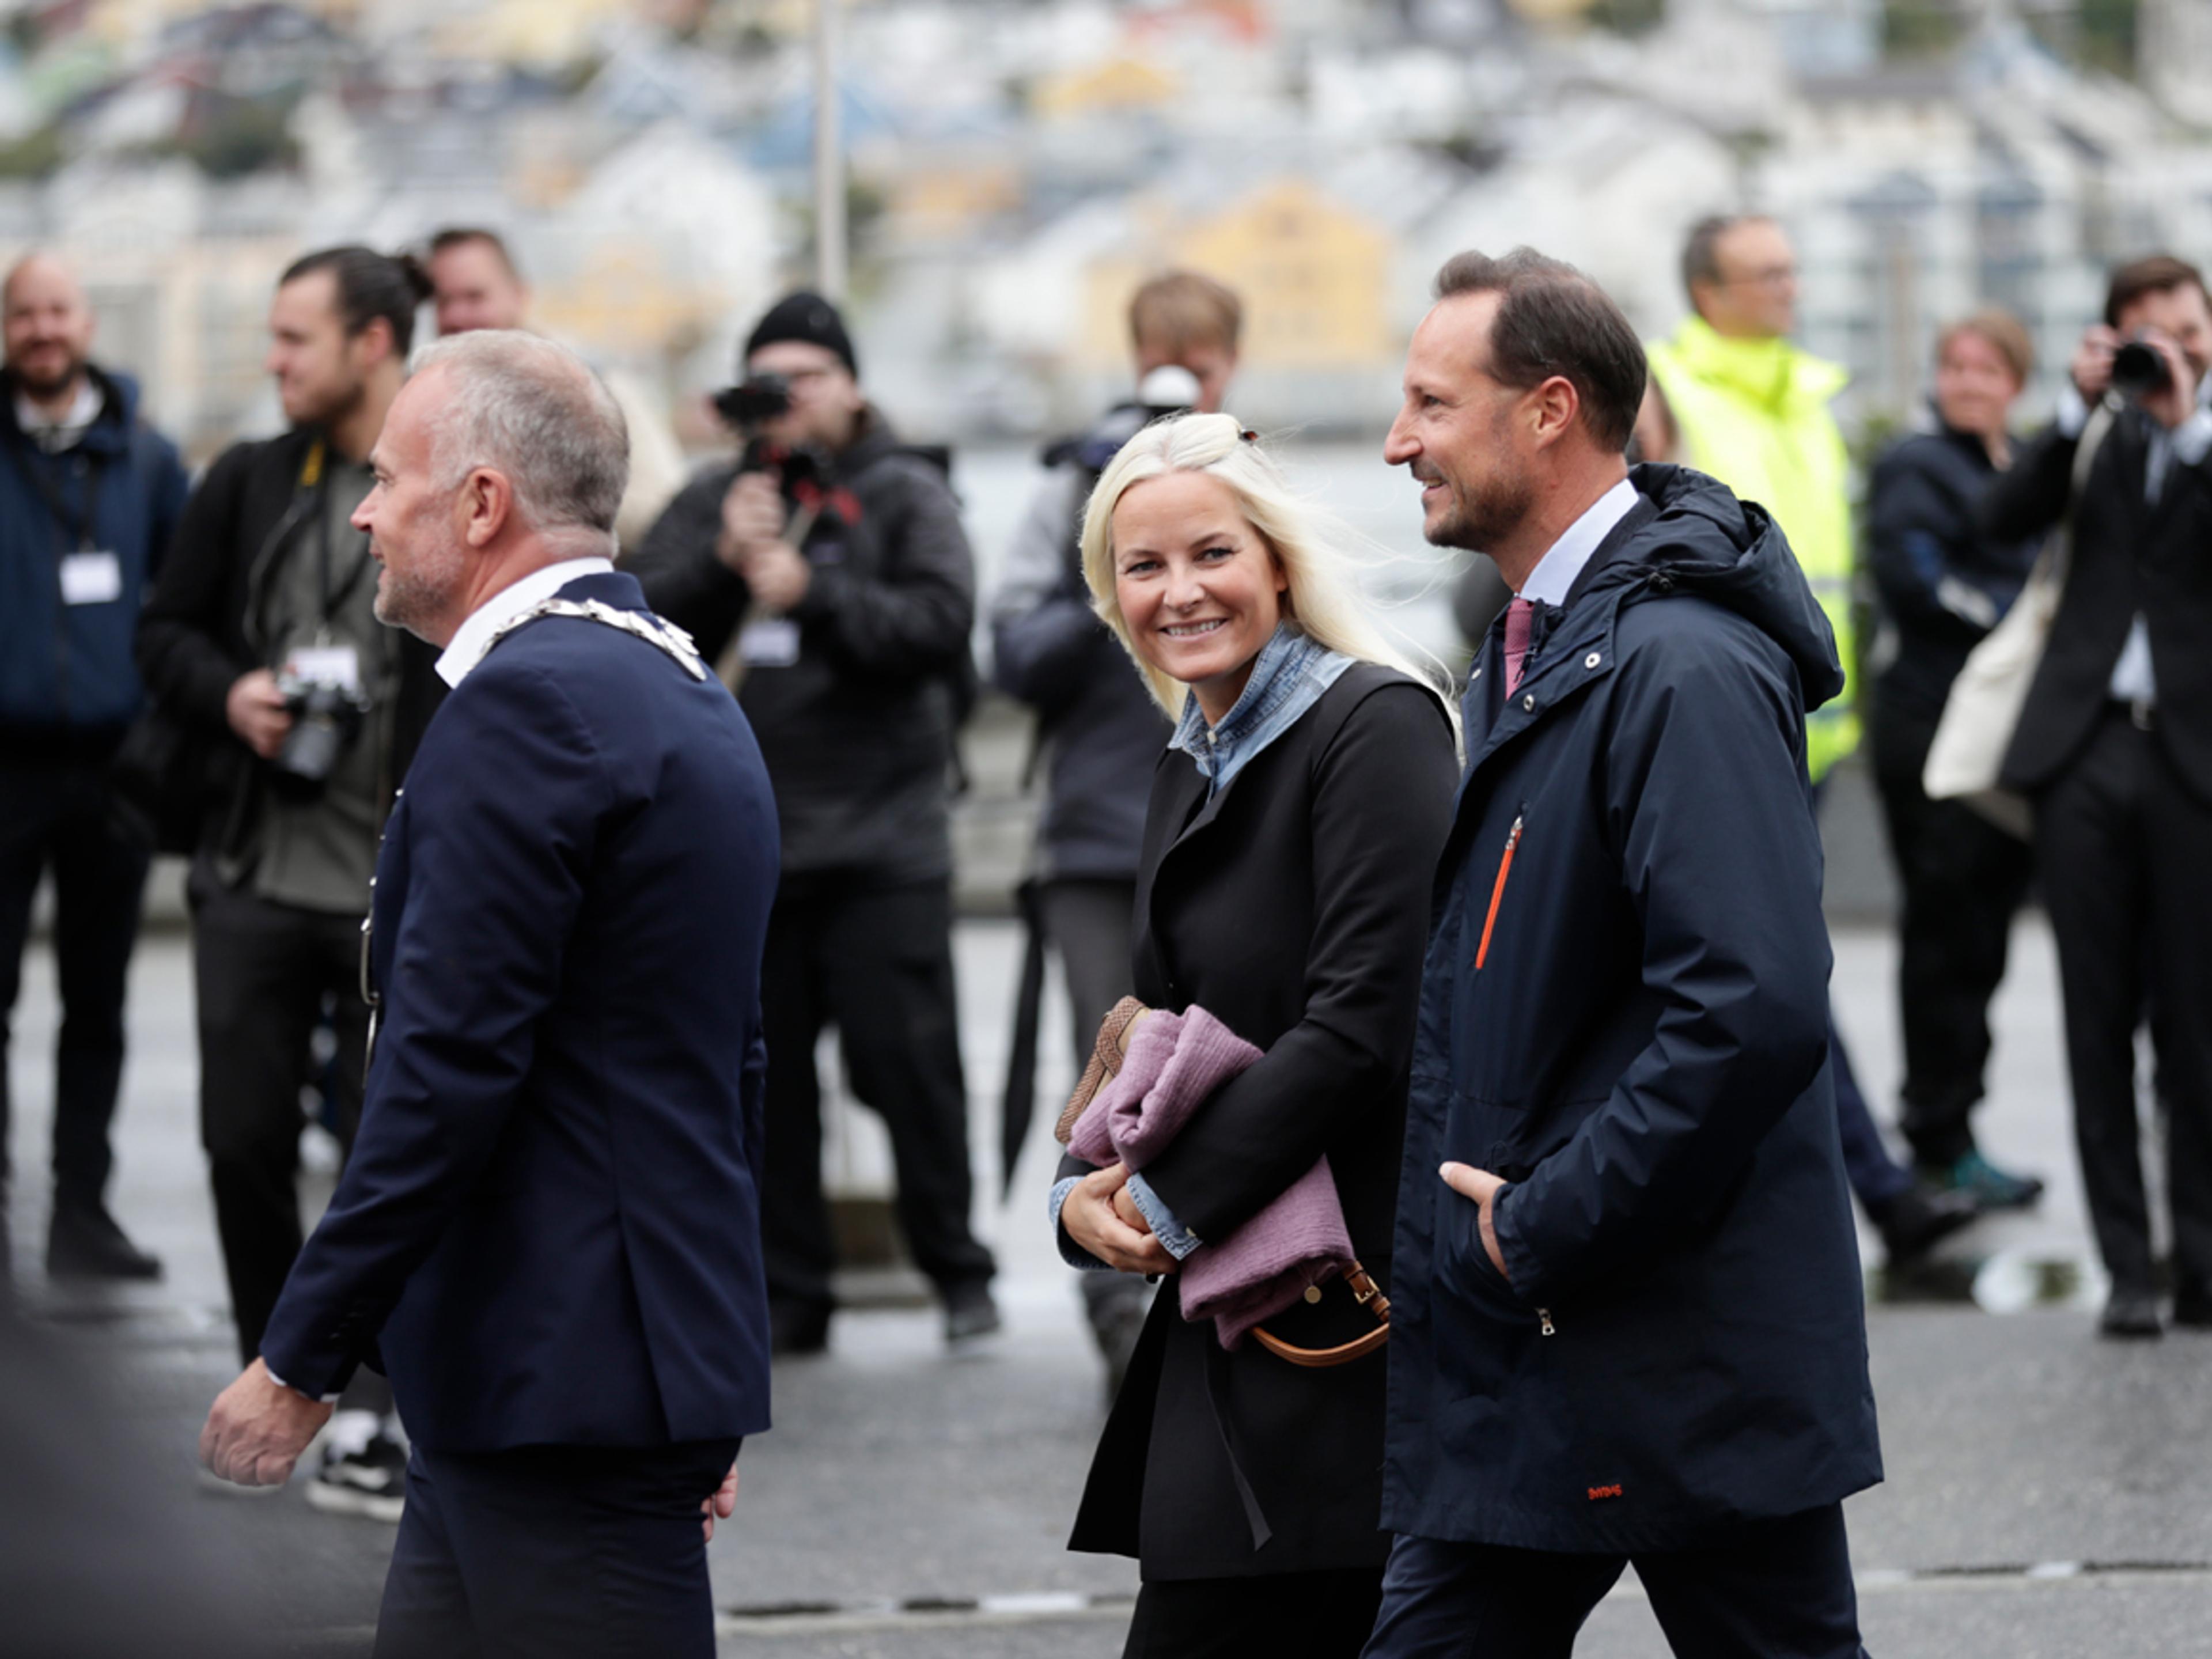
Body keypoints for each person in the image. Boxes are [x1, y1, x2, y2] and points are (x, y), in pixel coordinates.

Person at [198, 329, 778, 1657]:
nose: (363, 512)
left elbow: (443, 1076)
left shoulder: (532, 708)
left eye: (386, 478)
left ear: (479, 503)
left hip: (555, 1383)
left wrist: (300, 1358)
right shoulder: (671, 682)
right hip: (565, 1379)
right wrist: (703, 1369)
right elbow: (726, 1068)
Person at [1368, 249, 1878, 1656]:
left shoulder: (1678, 665)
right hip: (1550, 1349)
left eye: (1431, 403)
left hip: (1673, 1348)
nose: (1398, 441)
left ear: (1548, 411)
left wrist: (1533, 1228)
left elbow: (1753, 1008)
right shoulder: (1539, 647)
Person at [1050, 412, 1458, 1656]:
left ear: (1279, 562)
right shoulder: (1194, 755)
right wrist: (1079, 1194)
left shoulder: (1376, 725)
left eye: (1212, 553)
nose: (1179, 592)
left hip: (1349, 1307)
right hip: (1243, 1300)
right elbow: (1156, 1035)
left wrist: (1161, 1203)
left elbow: (1364, 1028)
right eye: (1144, 566)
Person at [628, 290, 997, 1354]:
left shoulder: (904, 491)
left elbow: (942, 624)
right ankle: (790, 1290)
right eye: (769, 380)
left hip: (885, 846)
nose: (790, 399)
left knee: (910, 1072)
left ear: (853, 386)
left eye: (811, 376)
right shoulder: (717, 497)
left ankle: (956, 1271)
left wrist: (815, 595)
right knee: (766, 1088)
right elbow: (637, 624)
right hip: (748, 853)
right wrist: (724, 564)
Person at [137, 247, 442, 1516]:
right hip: (257, 869)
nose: (273, 362)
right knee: (243, 1140)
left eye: (294, 339)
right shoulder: (250, 478)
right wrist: (232, 695)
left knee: (387, 1154)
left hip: (391, 882)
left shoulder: (438, 482)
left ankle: (371, 1403)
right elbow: (162, 631)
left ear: (372, 343)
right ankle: (276, 1371)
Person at [1647, 213, 1976, 1259]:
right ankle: (1879, 1192)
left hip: (1816, 740)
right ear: (1708, 292)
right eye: (1766, 274)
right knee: (1777, 975)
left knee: (1764, 977)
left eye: (1791, 270)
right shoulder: (1665, 391)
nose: (1790, 287)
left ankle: (1809, 1198)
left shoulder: (1806, 395)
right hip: (1729, 735)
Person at [989, 270, 1237, 1393]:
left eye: (1199, 366)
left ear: (1228, 368)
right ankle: (1114, 1313)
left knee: (1231, 1059)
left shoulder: (1247, 478)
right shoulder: (1077, 482)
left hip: (1223, 820)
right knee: (1113, 1072)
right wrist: (1115, 562)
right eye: (1163, 365)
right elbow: (1013, 655)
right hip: (1100, 835)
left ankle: (1217, 1289)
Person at [1980, 255, 2212, 1340]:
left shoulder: (2201, 439)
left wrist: (2187, 426)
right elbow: (1997, 517)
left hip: (2194, 757)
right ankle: (2127, 1268)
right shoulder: (2093, 436)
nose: (2172, 350)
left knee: (2198, 1024)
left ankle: (2201, 1258)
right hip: (2085, 751)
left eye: (2189, 330)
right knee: (2094, 1018)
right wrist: (2076, 413)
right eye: (2147, 334)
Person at [0, 252, 187, 1283]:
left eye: (57, 311)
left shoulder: (150, 462)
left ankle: (82, 1212)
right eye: (23, 313)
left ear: (86, 323)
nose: (42, 330)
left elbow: (182, 604)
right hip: (5, 766)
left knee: (98, 1003)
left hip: (115, 769)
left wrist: (156, 726)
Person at [1866, 310, 2044, 1204]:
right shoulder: (1917, 464)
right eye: (1954, 367)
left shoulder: (2025, 467)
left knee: (1982, 943)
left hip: (2005, 742)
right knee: (1943, 942)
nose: (1968, 382)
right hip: (1933, 739)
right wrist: (2022, 627)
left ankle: (1960, 1129)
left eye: (1987, 368)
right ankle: (1937, 1141)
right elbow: (1918, 581)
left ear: (2018, 381)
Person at [422, 226, 687, 551]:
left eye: (474, 297)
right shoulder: (427, 397)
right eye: (443, 301)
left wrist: (536, 512)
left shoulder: (591, 384)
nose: (456, 316)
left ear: (519, 295)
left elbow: (659, 504)